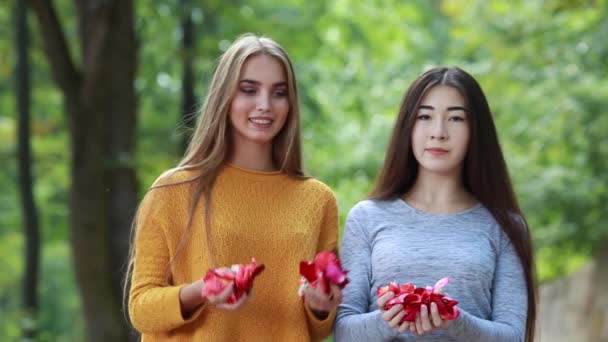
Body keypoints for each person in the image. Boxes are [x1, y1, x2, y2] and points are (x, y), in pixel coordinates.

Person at [125, 33, 342, 341]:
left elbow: (319, 329)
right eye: (249, 90)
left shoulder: (318, 199)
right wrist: (200, 291)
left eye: (279, 93)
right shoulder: (173, 190)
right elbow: (141, 309)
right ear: (224, 97)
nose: (265, 105)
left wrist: (321, 307)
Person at [334, 66, 536, 341]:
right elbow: (344, 331)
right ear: (408, 126)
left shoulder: (505, 226)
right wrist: (390, 319)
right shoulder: (367, 217)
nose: (438, 132)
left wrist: (453, 320)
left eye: (455, 118)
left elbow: (513, 336)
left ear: (476, 130)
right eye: (425, 116)